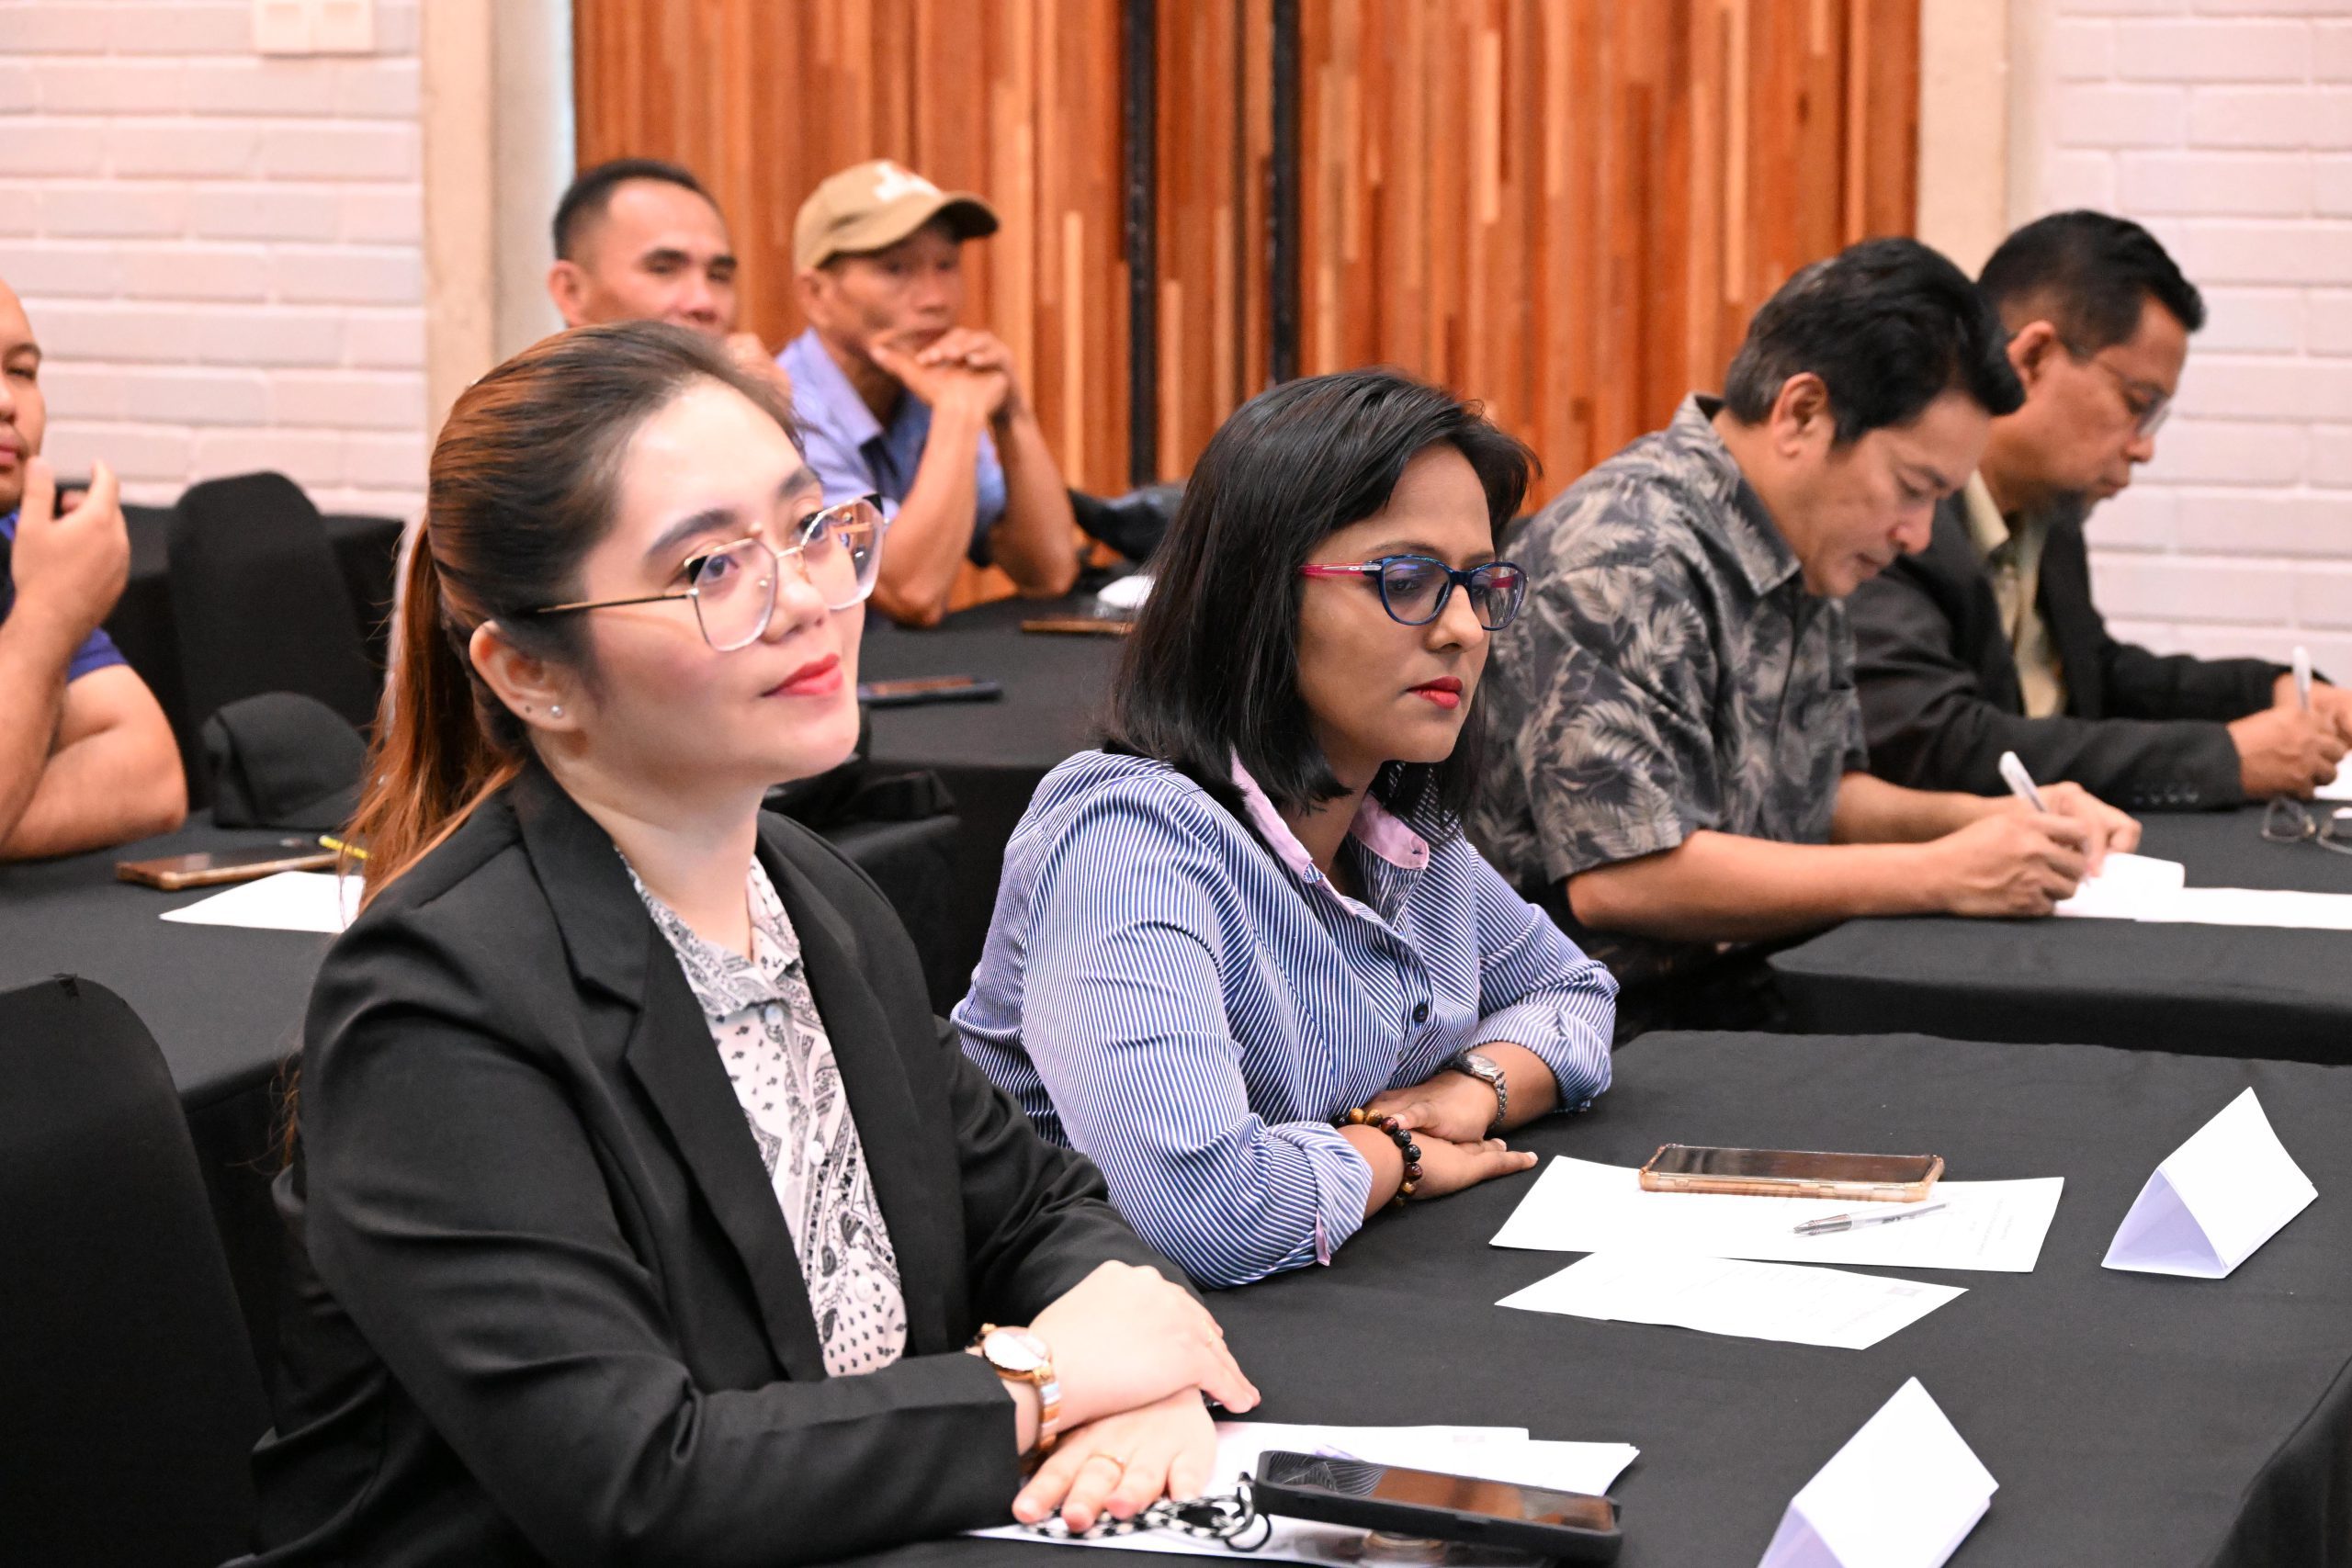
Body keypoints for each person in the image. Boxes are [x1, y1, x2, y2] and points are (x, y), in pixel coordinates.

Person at [244, 321, 1258, 1565]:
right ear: (530, 673)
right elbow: (638, 1483)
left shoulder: (815, 893)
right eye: (712, 567)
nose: (811, 600)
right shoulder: (436, 1001)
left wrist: (1135, 1358)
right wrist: (1046, 1383)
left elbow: (1034, 1206)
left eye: (809, 528)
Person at [956, 369, 1616, 1291]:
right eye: (1408, 581)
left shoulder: (1398, 820)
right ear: (1255, 597)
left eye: (1479, 583)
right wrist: (1394, 1152)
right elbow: (1203, 1213)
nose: (1465, 629)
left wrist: (1472, 1090)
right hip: (1098, 1343)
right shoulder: (1127, 841)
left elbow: (1574, 993)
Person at [1471, 239, 2142, 1038]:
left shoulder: (1803, 539)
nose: (1918, 533)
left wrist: (1993, 822)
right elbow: (1626, 878)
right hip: (1604, 1033)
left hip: (1753, 989)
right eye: (1912, 487)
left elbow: (1821, 798)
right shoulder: (1624, 552)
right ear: (1803, 414)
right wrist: (1942, 870)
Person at [1849, 210, 2351, 810]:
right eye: (2137, 403)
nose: (2144, 446)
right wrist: (2223, 757)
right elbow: (1938, 745)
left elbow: (2095, 676)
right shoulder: (1900, 519)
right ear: (2032, 359)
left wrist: (2265, 690)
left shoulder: (2049, 509)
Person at [782, 159, 1080, 626]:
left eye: (946, 265)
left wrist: (1012, 413)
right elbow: (911, 592)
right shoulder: (784, 410)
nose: (935, 299)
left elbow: (1049, 572)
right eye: (895, 268)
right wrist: (959, 409)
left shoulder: (925, 386)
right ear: (816, 295)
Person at [0, 275, 184, 859]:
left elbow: (152, 776)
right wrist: (48, 616)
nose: (6, 401)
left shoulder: (11, 537)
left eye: (21, 371)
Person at [545, 157, 791, 402]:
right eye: (663, 270)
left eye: (718, 276)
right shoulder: (531, 423)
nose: (703, 302)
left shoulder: (741, 409)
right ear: (572, 292)